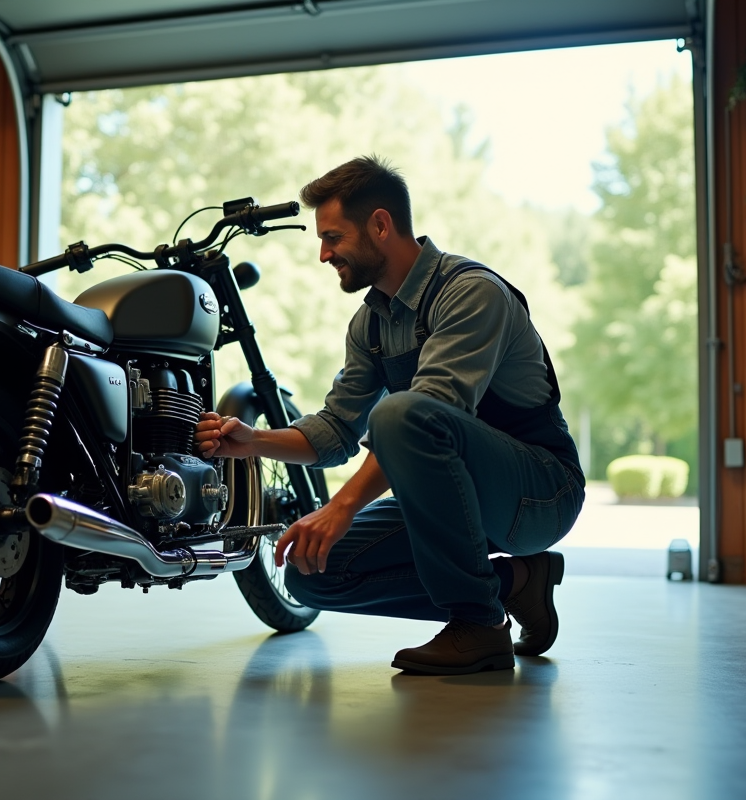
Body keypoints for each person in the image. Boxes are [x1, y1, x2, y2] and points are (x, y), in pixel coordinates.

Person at [196, 155, 585, 675]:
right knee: (311, 574)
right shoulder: (370, 325)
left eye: (332, 237)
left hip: (539, 493)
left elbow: (427, 412)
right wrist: (254, 441)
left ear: (380, 225)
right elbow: (336, 430)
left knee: (401, 412)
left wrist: (341, 507)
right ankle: (516, 585)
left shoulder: (471, 293)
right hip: (451, 504)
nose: (323, 254)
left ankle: (479, 626)